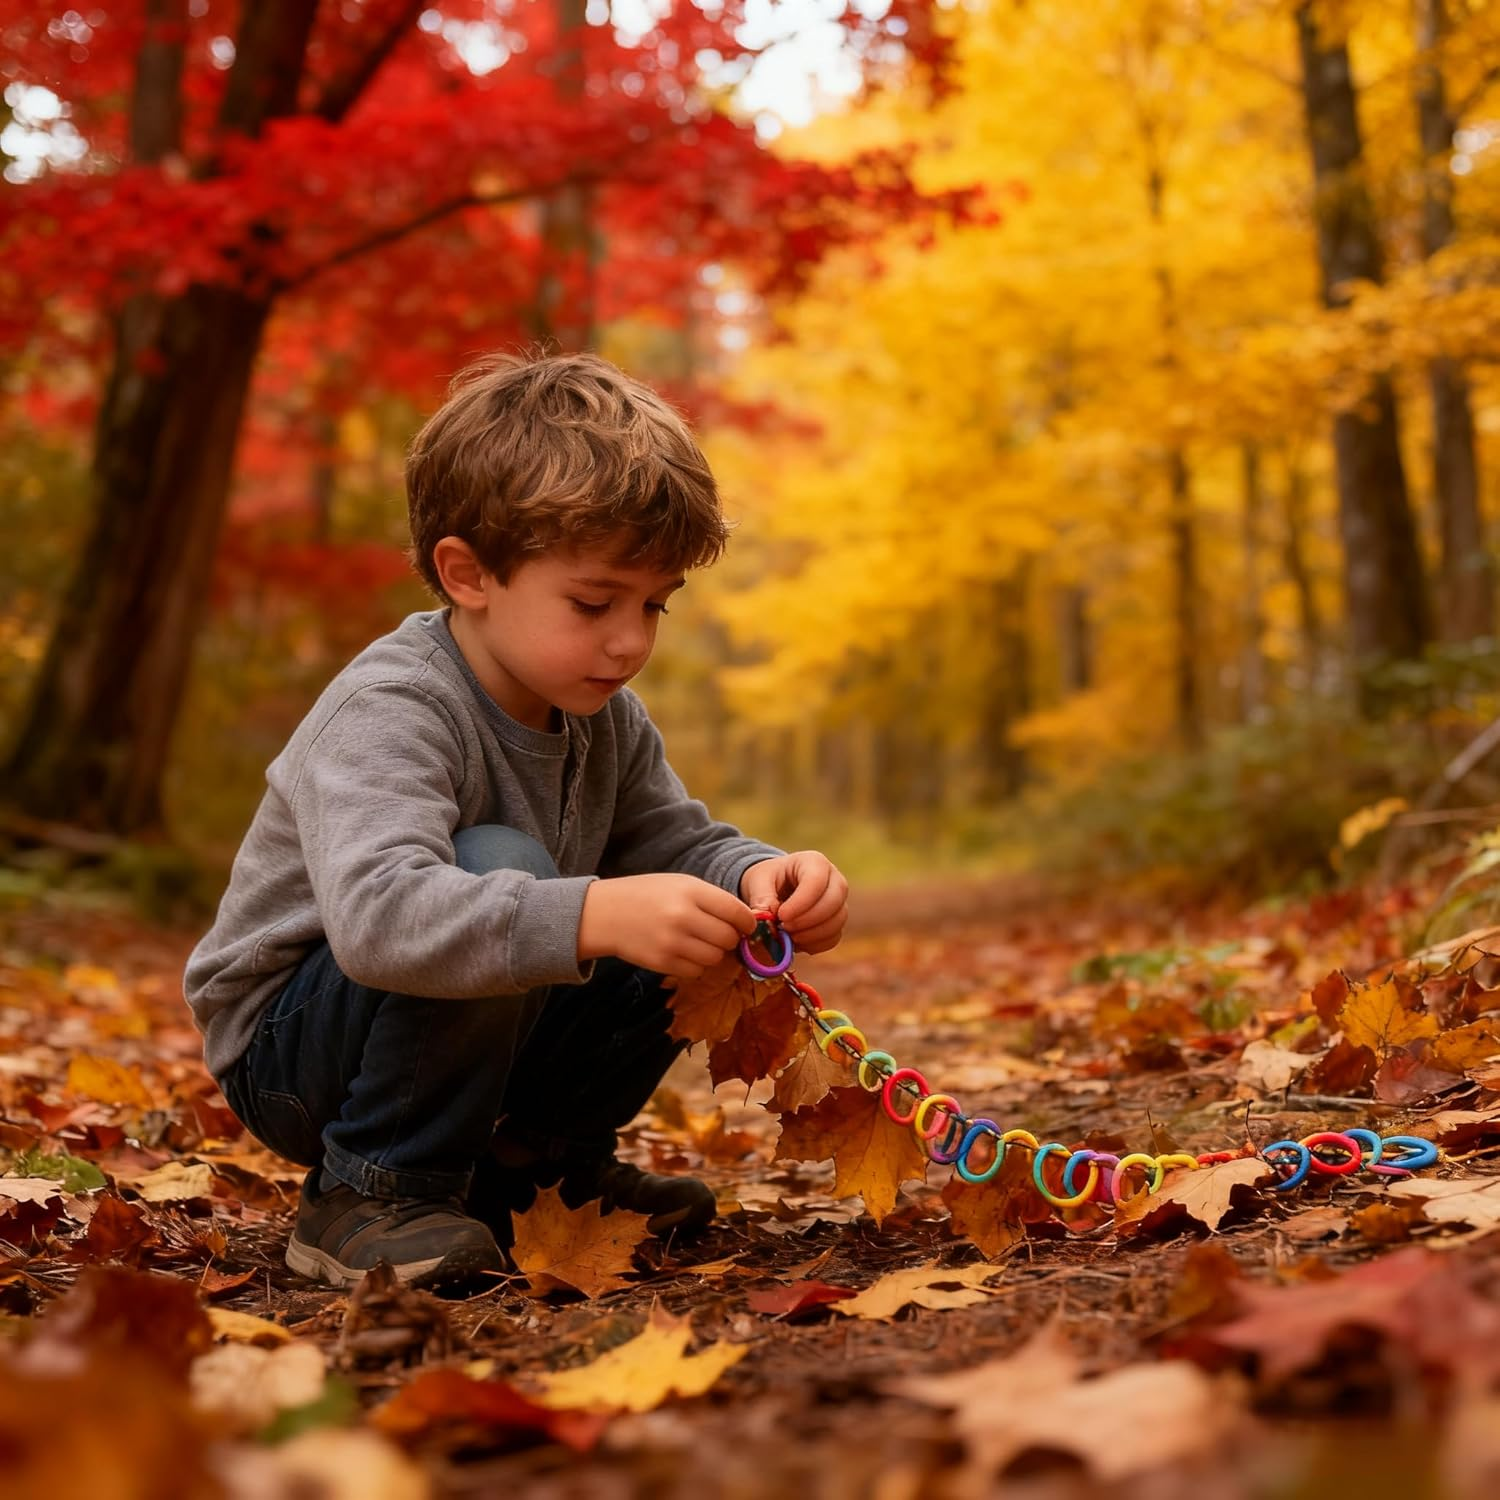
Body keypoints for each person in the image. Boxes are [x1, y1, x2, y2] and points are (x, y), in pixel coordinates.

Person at [183, 351, 849, 1289]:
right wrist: (591, 915)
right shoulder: (393, 707)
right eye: (593, 602)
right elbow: (382, 921)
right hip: (303, 1054)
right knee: (509, 866)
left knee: (685, 908)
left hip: (487, 1031)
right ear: (468, 574)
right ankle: (372, 1191)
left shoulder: (599, 711)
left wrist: (756, 876)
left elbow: (676, 843)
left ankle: (536, 1170)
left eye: (654, 604)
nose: (631, 640)